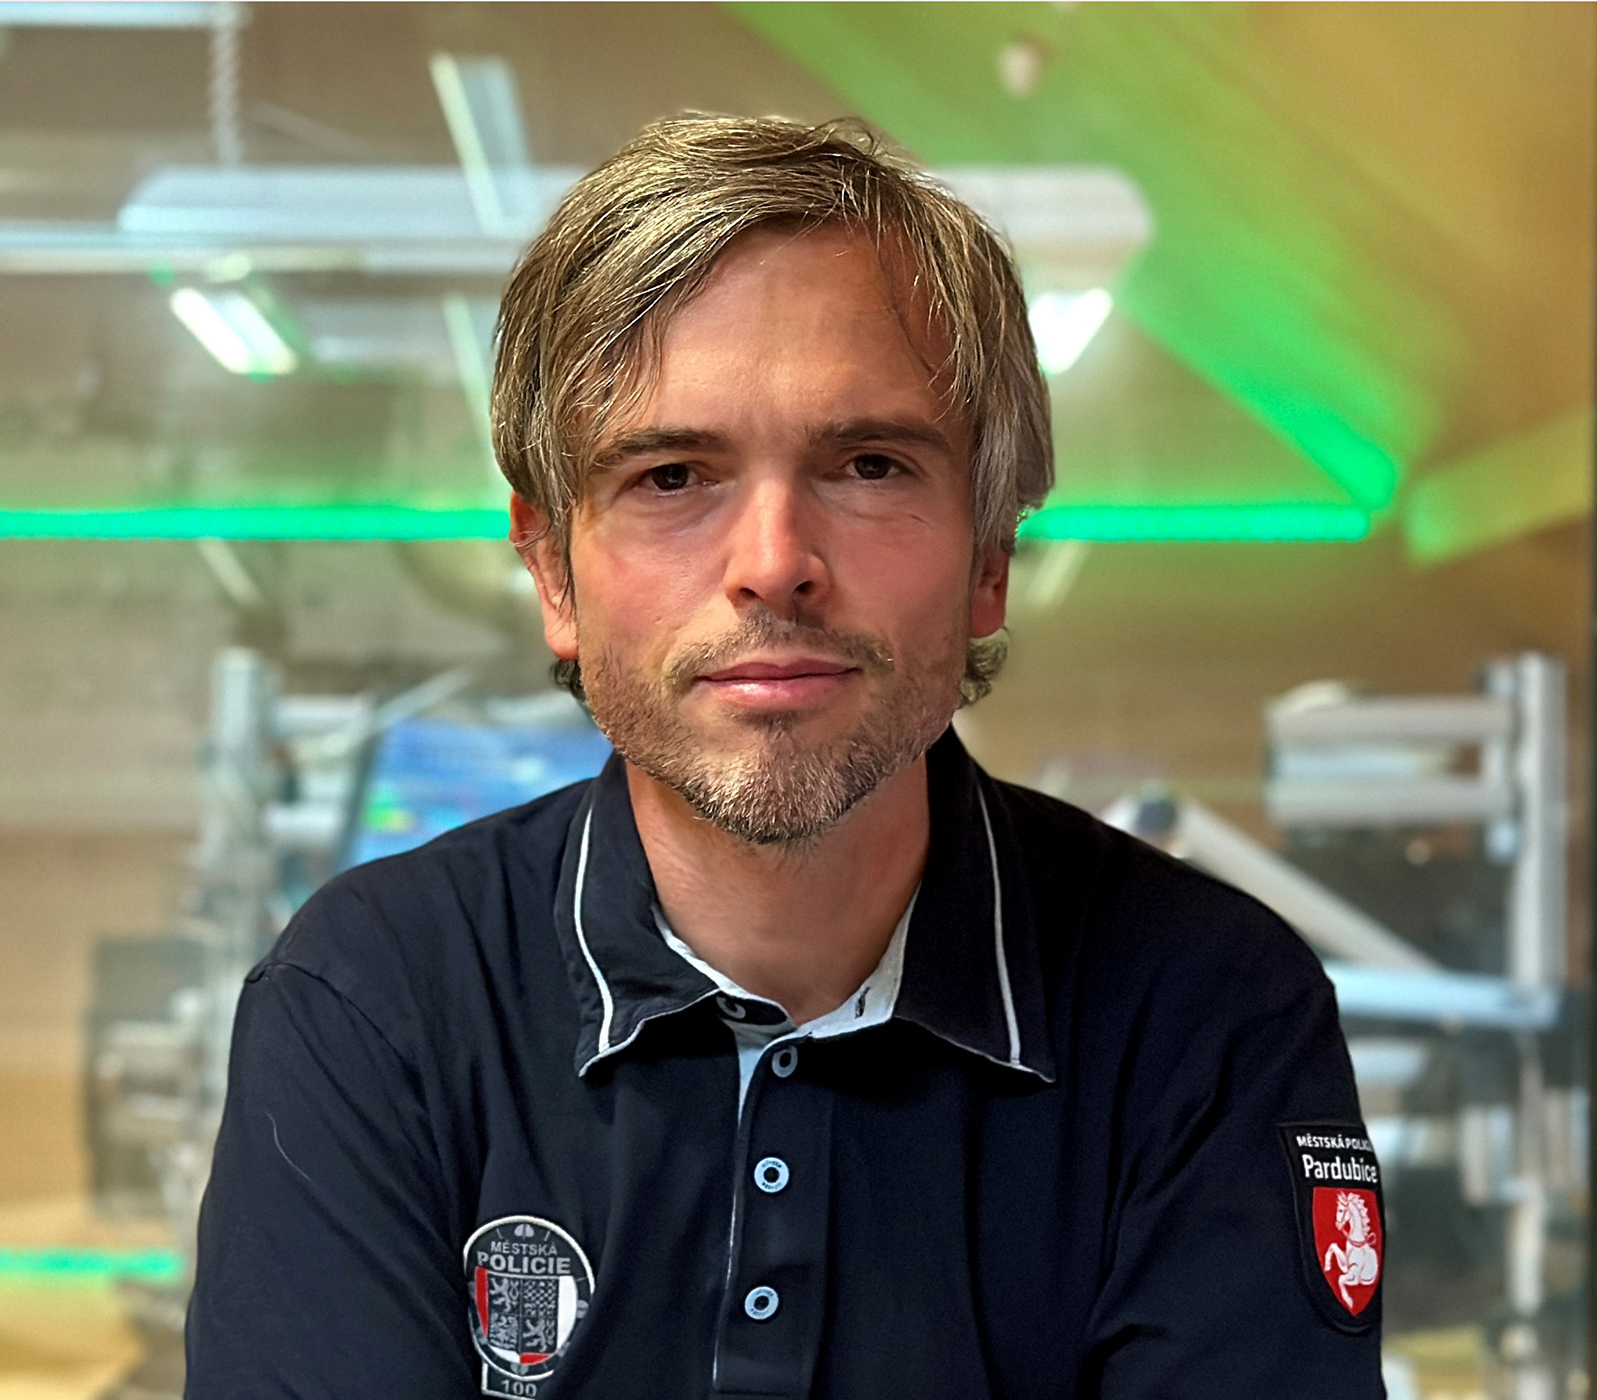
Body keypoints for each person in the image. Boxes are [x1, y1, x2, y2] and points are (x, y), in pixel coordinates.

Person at [185, 115, 1382, 1399]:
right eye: (671, 475)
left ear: (990, 556)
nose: (773, 562)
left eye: (868, 464)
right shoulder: (373, 1001)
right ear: (551, 572)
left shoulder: (1206, 1011)